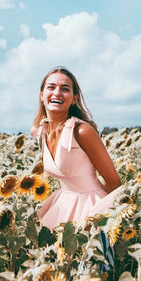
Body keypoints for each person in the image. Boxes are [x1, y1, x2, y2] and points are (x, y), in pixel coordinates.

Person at [30, 66, 122, 231]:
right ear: (42, 95)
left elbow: (114, 182)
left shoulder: (81, 131)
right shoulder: (42, 131)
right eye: (51, 87)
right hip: (61, 205)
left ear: (74, 99)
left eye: (65, 89)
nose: (57, 93)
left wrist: (98, 210)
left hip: (91, 209)